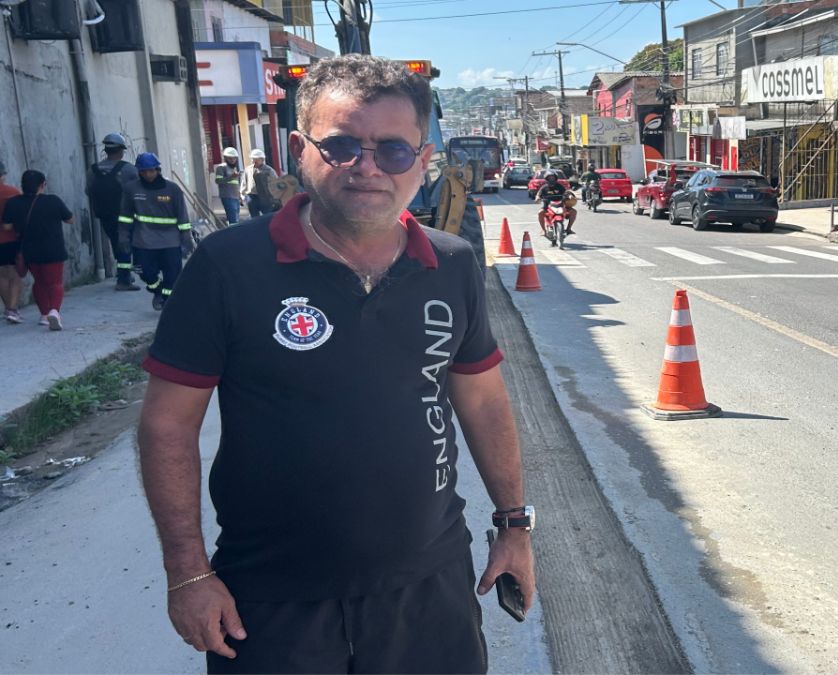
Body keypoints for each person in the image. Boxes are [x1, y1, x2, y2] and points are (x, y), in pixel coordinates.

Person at [137, 54, 534, 674]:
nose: (367, 167)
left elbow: (482, 401)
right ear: (301, 149)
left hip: (430, 590)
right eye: (342, 145)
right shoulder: (227, 266)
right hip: (270, 596)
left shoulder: (453, 264)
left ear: (423, 160)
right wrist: (187, 572)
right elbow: (168, 424)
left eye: (393, 150)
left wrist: (514, 527)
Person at [118, 152, 194, 311]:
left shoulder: (172, 189)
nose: (148, 174)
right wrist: (123, 237)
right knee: (145, 272)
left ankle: (168, 302)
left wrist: (186, 238)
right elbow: (125, 216)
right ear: (139, 172)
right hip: (143, 240)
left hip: (170, 240)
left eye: (151, 170)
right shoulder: (131, 189)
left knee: (172, 276)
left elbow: (182, 215)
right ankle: (158, 291)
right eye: (144, 171)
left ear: (158, 170)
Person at [0, 170, 73, 331]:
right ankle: (54, 311)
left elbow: (7, 226)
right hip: (53, 249)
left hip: (29, 250)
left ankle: (44, 315)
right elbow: (70, 219)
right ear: (42, 185)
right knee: (54, 282)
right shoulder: (53, 200)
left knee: (39, 282)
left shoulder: (14, 202)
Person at [88, 132, 141, 291]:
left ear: (106, 150)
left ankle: (123, 274)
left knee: (116, 242)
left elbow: (88, 191)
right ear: (121, 150)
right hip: (124, 214)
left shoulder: (93, 170)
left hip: (104, 214)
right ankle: (124, 280)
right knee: (125, 244)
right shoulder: (128, 170)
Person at [0, 161, 24, 324]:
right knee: (15, 274)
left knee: (1, 275)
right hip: (12, 238)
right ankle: (13, 309)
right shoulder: (13, 192)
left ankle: (8, 308)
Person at [240, 148, 279, 218]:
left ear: (262, 160)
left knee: (267, 216)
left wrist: (276, 197)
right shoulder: (248, 170)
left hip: (266, 197)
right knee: (254, 217)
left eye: (256, 159)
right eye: (253, 159)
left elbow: (276, 183)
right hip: (252, 197)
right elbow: (244, 182)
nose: (254, 161)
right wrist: (242, 195)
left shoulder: (269, 170)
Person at [536, 171, 576, 235]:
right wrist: (537, 198)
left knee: (573, 212)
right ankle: (543, 230)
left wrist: (569, 196)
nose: (552, 179)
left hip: (561, 206)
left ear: (555, 178)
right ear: (547, 178)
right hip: (547, 207)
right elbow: (538, 194)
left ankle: (569, 229)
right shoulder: (544, 187)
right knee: (540, 213)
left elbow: (566, 192)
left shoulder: (560, 186)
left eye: (553, 178)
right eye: (550, 178)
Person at [214, 147, 242, 226]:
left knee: (236, 219)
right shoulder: (221, 168)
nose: (233, 160)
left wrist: (240, 196)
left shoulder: (234, 168)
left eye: (234, 158)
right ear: (225, 158)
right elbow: (218, 181)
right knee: (233, 219)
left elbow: (236, 184)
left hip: (236, 197)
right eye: (230, 158)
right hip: (227, 196)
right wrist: (231, 177)